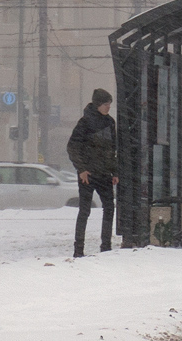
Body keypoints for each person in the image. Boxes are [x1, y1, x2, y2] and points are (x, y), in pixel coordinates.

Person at [66, 88, 117, 258]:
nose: (108, 107)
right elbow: (72, 147)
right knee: (85, 210)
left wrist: (114, 171)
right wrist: (81, 169)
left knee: (108, 207)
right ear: (97, 104)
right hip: (88, 174)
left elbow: (112, 149)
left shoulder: (110, 122)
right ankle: (79, 248)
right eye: (106, 104)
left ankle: (106, 246)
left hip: (103, 173)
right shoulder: (85, 123)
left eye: (109, 104)